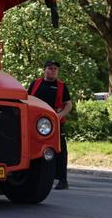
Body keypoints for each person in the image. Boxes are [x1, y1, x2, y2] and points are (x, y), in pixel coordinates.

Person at [28, 60, 73, 190]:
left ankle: (62, 180)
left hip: (55, 123)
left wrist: (59, 116)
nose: (53, 70)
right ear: (44, 70)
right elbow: (28, 99)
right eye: (50, 68)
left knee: (60, 150)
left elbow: (68, 104)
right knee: (35, 149)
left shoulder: (61, 86)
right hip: (36, 123)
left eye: (55, 69)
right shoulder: (35, 84)